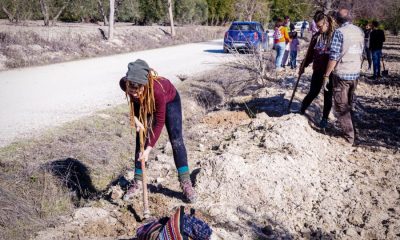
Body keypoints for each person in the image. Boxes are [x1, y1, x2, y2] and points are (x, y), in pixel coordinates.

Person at [119, 59, 196, 203]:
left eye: (138, 91)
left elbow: (159, 122)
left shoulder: (157, 90)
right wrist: (136, 120)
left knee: (176, 139)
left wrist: (149, 150)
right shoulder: (125, 84)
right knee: (140, 138)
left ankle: (186, 182)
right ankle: (137, 182)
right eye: (131, 91)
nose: (134, 94)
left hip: (170, 101)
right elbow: (133, 103)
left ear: (145, 85)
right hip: (146, 103)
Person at [323, 4, 364, 144]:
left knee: (341, 106)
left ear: (337, 20)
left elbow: (334, 56)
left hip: (342, 75)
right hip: (355, 73)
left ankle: (349, 138)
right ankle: (352, 131)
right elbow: (362, 53)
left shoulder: (339, 33)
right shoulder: (359, 31)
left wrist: (326, 74)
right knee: (349, 104)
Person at [299, 11, 337, 128]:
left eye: (320, 26)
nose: (318, 28)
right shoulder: (316, 37)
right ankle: (301, 110)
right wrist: (303, 66)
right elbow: (310, 54)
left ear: (327, 23)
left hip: (330, 72)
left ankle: (325, 118)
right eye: (317, 26)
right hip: (317, 70)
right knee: (313, 92)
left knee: (328, 95)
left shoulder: (335, 36)